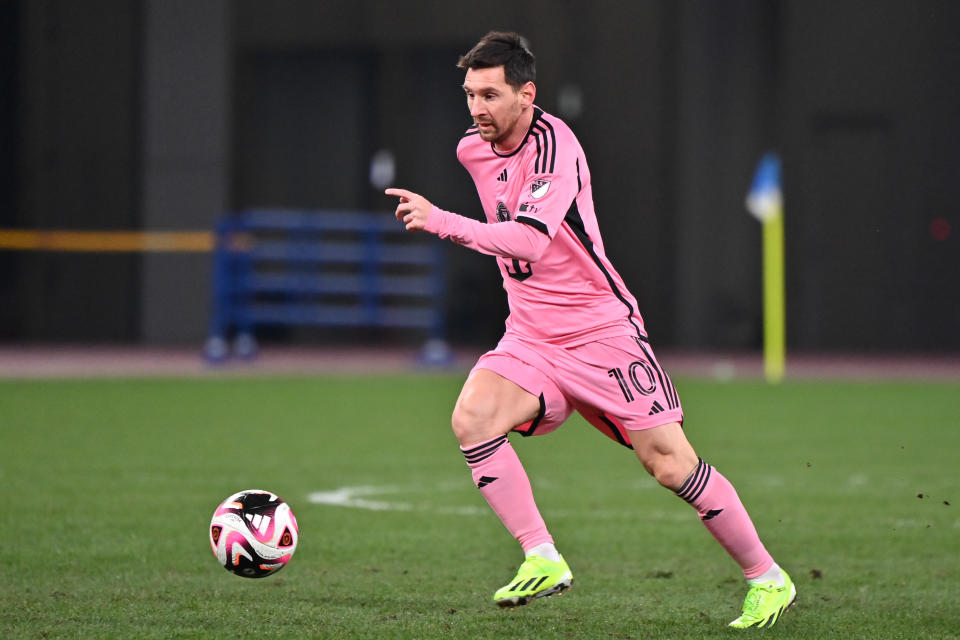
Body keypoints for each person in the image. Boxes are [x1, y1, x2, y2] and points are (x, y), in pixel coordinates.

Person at [386, 30, 795, 629]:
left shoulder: (557, 147)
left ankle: (768, 578)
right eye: (470, 94)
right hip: (530, 335)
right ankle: (542, 555)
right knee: (471, 417)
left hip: (601, 332)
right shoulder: (471, 151)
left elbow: (528, 238)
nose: (477, 109)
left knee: (670, 464)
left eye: (491, 95)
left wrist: (441, 220)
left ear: (527, 94)